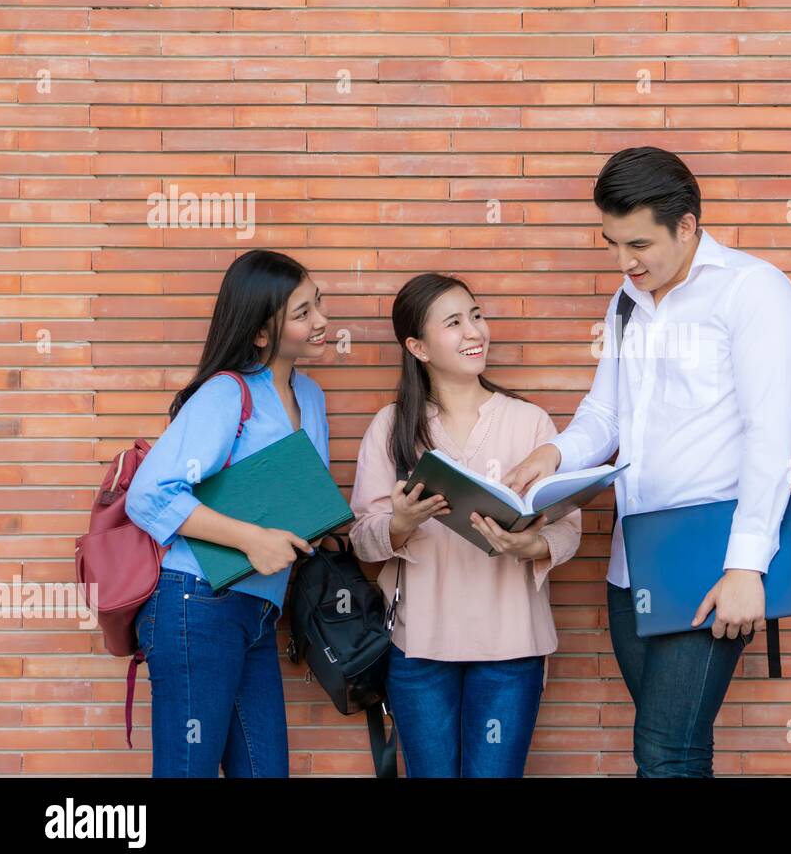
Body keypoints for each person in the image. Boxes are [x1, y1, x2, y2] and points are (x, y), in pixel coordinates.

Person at [504, 146, 791, 776]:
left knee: (665, 753)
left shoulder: (756, 292)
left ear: (688, 226)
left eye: (637, 244)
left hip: (712, 562)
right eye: (612, 243)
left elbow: (769, 438)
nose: (624, 261)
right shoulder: (627, 299)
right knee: (673, 748)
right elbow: (605, 415)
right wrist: (554, 452)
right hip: (631, 563)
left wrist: (747, 565)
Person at [348, 272, 582, 777]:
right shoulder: (392, 426)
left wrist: (532, 544)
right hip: (420, 648)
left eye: (476, 316)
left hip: (510, 646)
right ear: (418, 346)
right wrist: (400, 523)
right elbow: (363, 539)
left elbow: (569, 526)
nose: (474, 331)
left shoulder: (530, 423)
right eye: (453, 323)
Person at [125, 249, 331, 777]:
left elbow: (296, 498)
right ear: (261, 333)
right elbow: (148, 495)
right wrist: (253, 539)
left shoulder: (310, 395)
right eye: (303, 313)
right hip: (197, 604)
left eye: (319, 305)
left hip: (258, 613)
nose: (322, 322)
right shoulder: (226, 392)